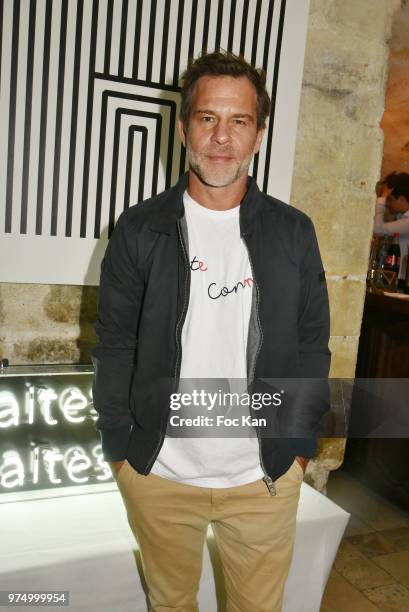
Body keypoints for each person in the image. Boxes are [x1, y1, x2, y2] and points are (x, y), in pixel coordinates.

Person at [92, 51, 331, 612]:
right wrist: (121, 452)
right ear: (182, 128)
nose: (221, 137)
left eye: (239, 121)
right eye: (207, 118)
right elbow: (114, 342)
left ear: (258, 134)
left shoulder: (294, 232)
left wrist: (296, 448)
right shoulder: (139, 228)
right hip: (159, 475)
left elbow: (310, 345)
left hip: (262, 478)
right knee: (171, 605)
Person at [374, 172, 409, 281]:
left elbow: (377, 229)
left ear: (402, 199)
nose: (387, 204)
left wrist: (382, 198)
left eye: (390, 199)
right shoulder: (401, 217)